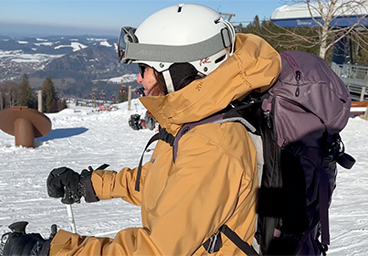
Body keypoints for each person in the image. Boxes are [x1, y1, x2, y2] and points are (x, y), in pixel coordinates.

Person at [0, 3, 281, 256]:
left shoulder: (213, 146)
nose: (139, 78)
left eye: (144, 68)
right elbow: (163, 181)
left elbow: (154, 251)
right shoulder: (198, 122)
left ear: (177, 71)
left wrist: (54, 251)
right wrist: (93, 184)